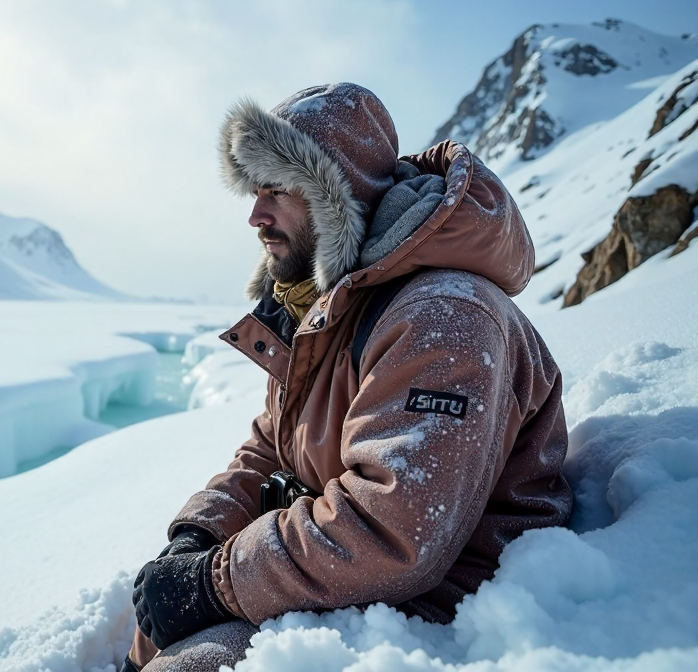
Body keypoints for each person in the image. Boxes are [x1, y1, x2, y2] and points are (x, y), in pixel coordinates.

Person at [122, 83, 574, 672]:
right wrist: (198, 538)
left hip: (445, 613)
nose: (256, 216)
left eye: (278, 189)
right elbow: (270, 446)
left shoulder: (444, 317)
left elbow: (396, 528)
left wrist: (214, 582)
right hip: (345, 575)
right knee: (152, 633)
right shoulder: (327, 310)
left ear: (341, 195)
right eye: (254, 190)